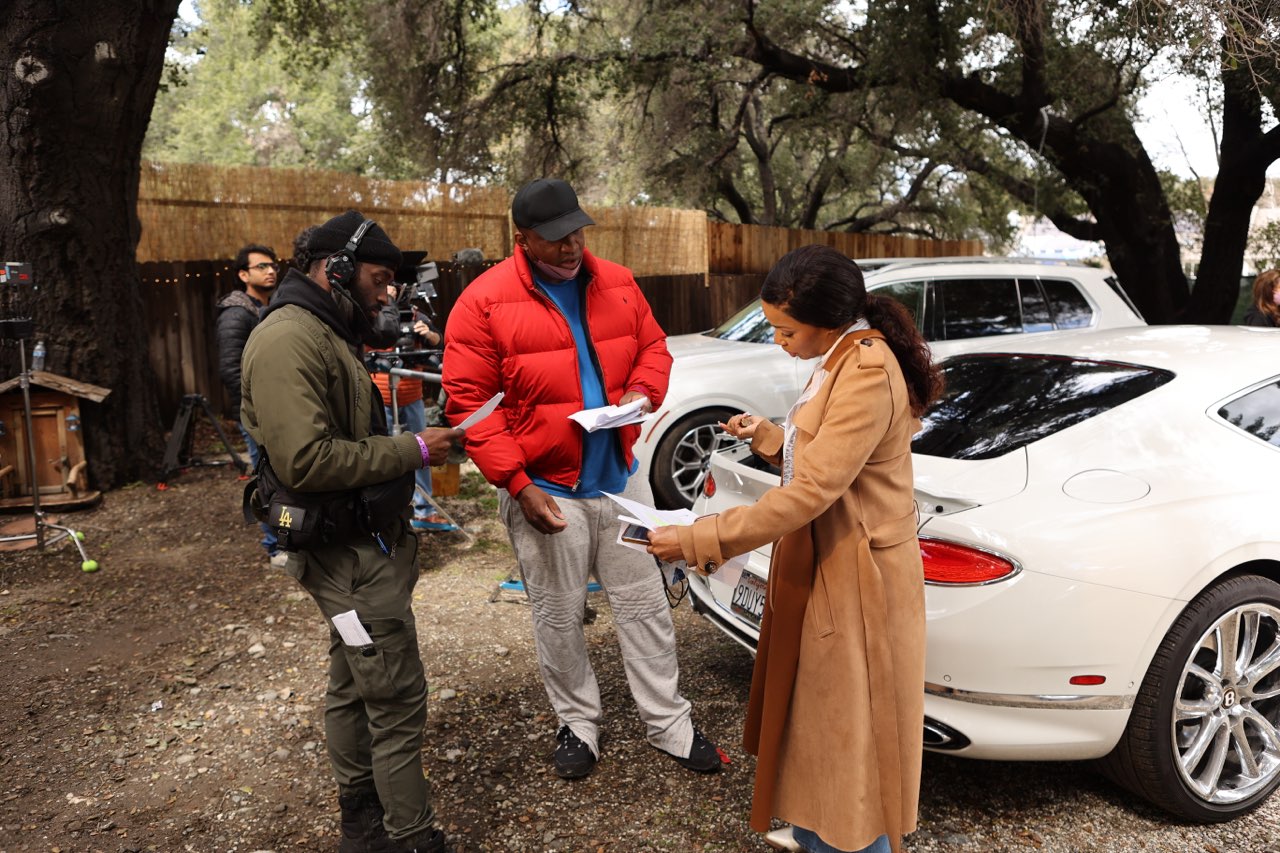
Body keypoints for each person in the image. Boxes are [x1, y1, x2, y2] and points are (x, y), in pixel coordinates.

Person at [647, 244, 944, 853]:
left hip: (858, 580)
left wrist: (699, 538)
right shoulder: (840, 356)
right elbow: (829, 454)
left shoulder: (863, 369)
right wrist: (768, 436)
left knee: (849, 747)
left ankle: (841, 840)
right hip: (829, 568)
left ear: (829, 321)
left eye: (786, 330)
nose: (779, 341)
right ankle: (818, 835)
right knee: (818, 732)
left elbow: (813, 492)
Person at [442, 178, 721, 780]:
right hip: (545, 489)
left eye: (577, 233)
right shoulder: (482, 302)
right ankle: (578, 723)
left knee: (645, 605)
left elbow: (654, 348)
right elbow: (468, 405)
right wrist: (517, 485)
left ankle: (668, 722)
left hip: (621, 480)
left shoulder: (617, 282)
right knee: (558, 614)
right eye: (556, 239)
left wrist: (644, 393)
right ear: (522, 240)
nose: (571, 248)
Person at [240, 210, 464, 853]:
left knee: (351, 675)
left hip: (358, 550)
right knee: (394, 697)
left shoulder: (320, 329)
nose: (388, 293)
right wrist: (416, 449)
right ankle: (409, 837)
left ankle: (362, 823)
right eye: (379, 277)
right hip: (348, 558)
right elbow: (306, 461)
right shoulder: (289, 339)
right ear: (334, 269)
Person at [368, 290, 458, 533]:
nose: (388, 291)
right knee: (386, 454)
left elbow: (440, 340)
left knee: (423, 451)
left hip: (412, 395)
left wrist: (427, 334)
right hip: (380, 398)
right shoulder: (368, 314)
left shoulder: (416, 314)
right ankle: (390, 509)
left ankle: (424, 511)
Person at [216, 243, 283, 567]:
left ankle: (287, 539)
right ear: (243, 274)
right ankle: (274, 546)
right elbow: (230, 369)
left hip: (278, 410)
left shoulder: (269, 308)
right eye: (261, 266)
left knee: (283, 475)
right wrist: (256, 410)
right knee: (266, 477)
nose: (270, 270)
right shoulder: (235, 313)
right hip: (255, 414)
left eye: (273, 265)